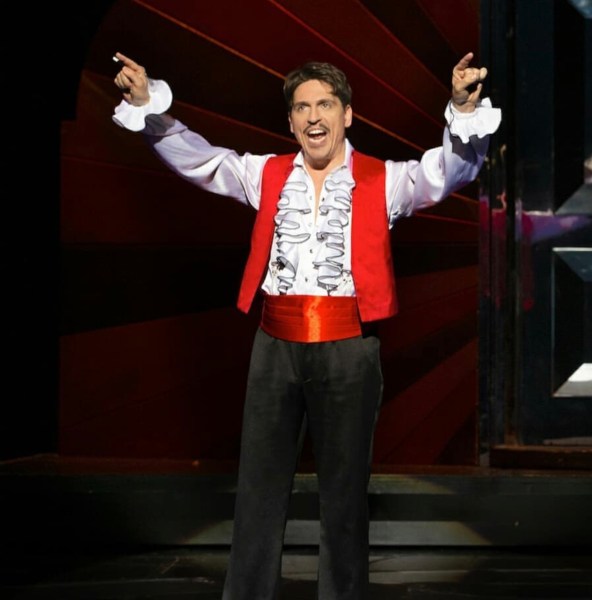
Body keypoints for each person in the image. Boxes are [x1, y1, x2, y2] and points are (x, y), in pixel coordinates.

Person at [113, 51, 500, 600]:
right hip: (275, 346)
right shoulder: (265, 173)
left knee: (344, 494)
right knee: (258, 488)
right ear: (291, 121)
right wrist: (149, 105)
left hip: (349, 348)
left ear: (347, 114)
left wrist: (460, 109)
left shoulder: (385, 180)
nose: (314, 117)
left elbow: (450, 172)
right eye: (302, 107)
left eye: (325, 105)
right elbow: (201, 159)